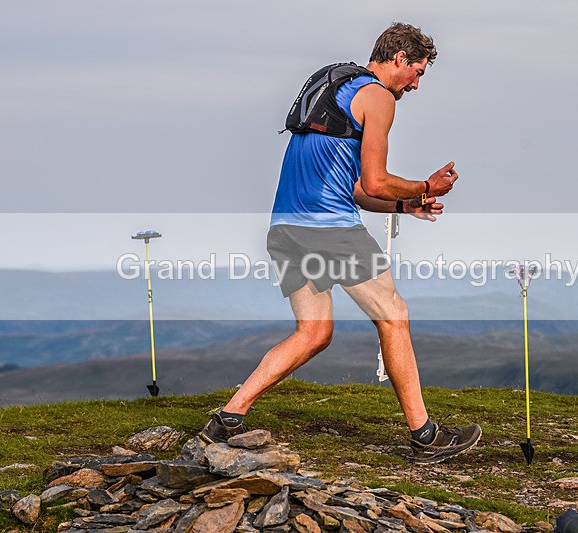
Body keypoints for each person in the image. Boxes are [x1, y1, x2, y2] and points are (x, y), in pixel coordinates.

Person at [200, 22, 481, 464]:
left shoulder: (336, 86)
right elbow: (376, 180)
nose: (417, 84)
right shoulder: (379, 97)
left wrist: (406, 207)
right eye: (419, 72)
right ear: (400, 59)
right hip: (328, 229)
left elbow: (354, 190)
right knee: (395, 316)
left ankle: (228, 417)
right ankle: (424, 437)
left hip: (287, 227)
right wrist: (424, 185)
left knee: (313, 332)